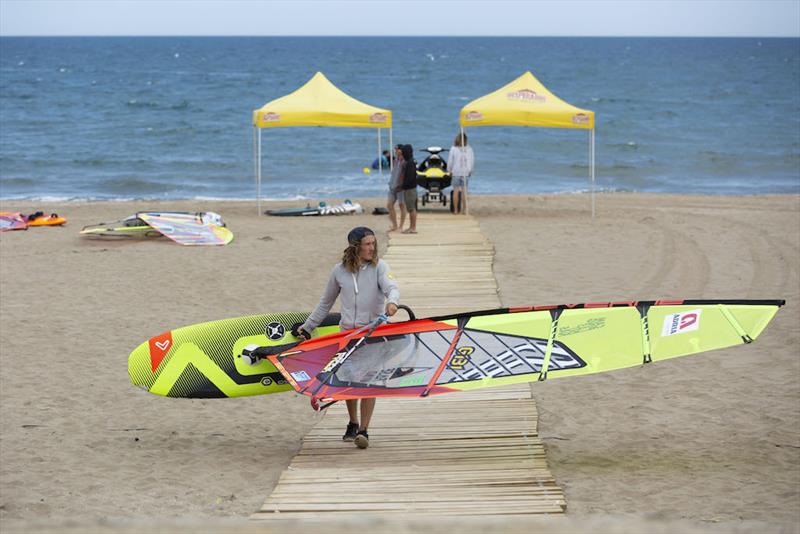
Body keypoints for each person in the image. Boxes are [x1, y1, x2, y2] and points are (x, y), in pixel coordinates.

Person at [294, 227, 399, 449]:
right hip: (348, 334)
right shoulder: (339, 272)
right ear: (355, 246)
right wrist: (308, 326)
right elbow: (326, 302)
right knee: (350, 381)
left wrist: (393, 302)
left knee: (369, 383)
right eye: (367, 244)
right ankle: (353, 422)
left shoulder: (380, 267)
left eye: (373, 243)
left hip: (374, 334)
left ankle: (364, 431)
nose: (372, 247)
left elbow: (392, 287)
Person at [447, 132, 475, 215]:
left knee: (455, 191)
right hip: (465, 172)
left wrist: (449, 170)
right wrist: (471, 170)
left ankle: (455, 210)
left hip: (455, 172)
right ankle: (464, 209)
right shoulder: (469, 149)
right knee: (464, 192)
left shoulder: (453, 149)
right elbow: (472, 160)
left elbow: (450, 161)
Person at [387, 144, 406, 232]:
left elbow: (405, 175)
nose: (395, 151)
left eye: (396, 149)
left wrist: (402, 185)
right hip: (392, 186)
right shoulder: (396, 160)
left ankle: (401, 226)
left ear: (401, 150)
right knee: (389, 205)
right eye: (395, 149)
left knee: (402, 206)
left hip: (401, 188)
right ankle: (395, 225)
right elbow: (394, 173)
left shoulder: (405, 161)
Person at [400, 144, 418, 234]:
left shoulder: (410, 163)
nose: (402, 155)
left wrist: (403, 186)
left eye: (403, 153)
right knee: (411, 208)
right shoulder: (412, 161)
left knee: (411, 208)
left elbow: (410, 177)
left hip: (410, 188)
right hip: (411, 188)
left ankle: (413, 227)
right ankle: (412, 227)